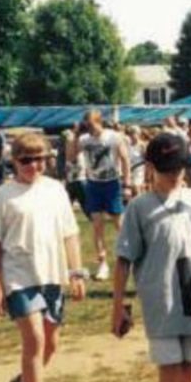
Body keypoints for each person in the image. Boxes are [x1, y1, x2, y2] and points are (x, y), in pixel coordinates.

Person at [0, 133, 86, 382]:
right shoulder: (2, 196)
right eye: (26, 160)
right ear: (14, 161)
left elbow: (70, 234)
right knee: (35, 340)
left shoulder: (56, 190)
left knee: (50, 343)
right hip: (19, 277)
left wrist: (77, 272)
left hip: (52, 275)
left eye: (40, 159)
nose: (33, 165)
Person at [112, 133, 191, 382]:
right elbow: (123, 259)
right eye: (167, 169)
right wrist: (118, 305)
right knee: (169, 368)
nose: (175, 175)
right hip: (161, 298)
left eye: (180, 168)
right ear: (151, 167)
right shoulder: (139, 207)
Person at [78, 109, 132, 281]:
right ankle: (102, 264)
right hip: (93, 184)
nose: (89, 128)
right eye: (86, 125)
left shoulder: (114, 137)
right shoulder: (83, 139)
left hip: (112, 183)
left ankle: (130, 256)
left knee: (119, 223)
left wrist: (127, 184)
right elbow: (71, 156)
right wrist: (74, 135)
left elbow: (125, 159)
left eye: (91, 125)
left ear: (99, 121)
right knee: (97, 225)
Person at [126, 125, 147, 196]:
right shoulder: (128, 145)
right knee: (133, 190)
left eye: (134, 133)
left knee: (136, 187)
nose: (132, 135)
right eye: (131, 133)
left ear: (139, 134)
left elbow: (146, 160)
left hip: (139, 170)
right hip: (130, 169)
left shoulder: (142, 145)